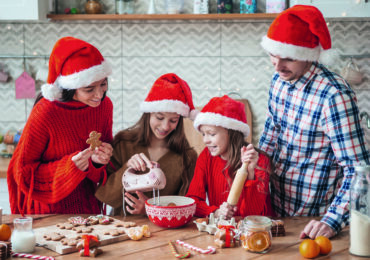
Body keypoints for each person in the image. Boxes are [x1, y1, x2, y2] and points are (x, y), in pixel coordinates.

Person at [259, 5, 370, 239]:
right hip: (277, 212)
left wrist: (332, 221)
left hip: (317, 221)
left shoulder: (334, 96)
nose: (277, 66)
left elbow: (360, 171)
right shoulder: (279, 81)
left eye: (288, 58)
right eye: (273, 56)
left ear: (309, 54)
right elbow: (270, 136)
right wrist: (253, 166)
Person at [7, 36, 113, 215]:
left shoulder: (104, 106)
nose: (99, 95)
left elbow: (103, 171)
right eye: (89, 89)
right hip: (48, 212)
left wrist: (97, 162)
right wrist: (70, 168)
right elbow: (23, 172)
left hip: (87, 209)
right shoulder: (46, 112)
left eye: (103, 85)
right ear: (71, 87)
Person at [95, 73, 198, 216]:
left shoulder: (187, 157)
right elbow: (105, 196)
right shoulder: (123, 143)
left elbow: (185, 207)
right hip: (122, 230)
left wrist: (151, 211)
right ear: (148, 113)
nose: (165, 126)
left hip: (164, 234)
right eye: (159, 117)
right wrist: (127, 168)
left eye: (173, 120)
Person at [186, 95, 274, 219]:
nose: (205, 140)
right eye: (203, 134)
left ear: (232, 132)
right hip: (224, 230)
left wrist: (250, 173)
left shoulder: (258, 160)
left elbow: (254, 214)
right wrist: (215, 212)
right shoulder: (206, 157)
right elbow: (192, 201)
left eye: (211, 134)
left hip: (257, 231)